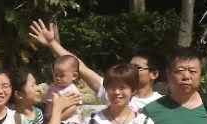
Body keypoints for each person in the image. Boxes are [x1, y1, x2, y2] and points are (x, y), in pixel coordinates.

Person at [29, 20, 162, 110]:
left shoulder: (162, 103)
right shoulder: (113, 93)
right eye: (130, 66)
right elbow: (79, 66)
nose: (131, 70)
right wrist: (52, 43)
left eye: (137, 68)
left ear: (154, 74)